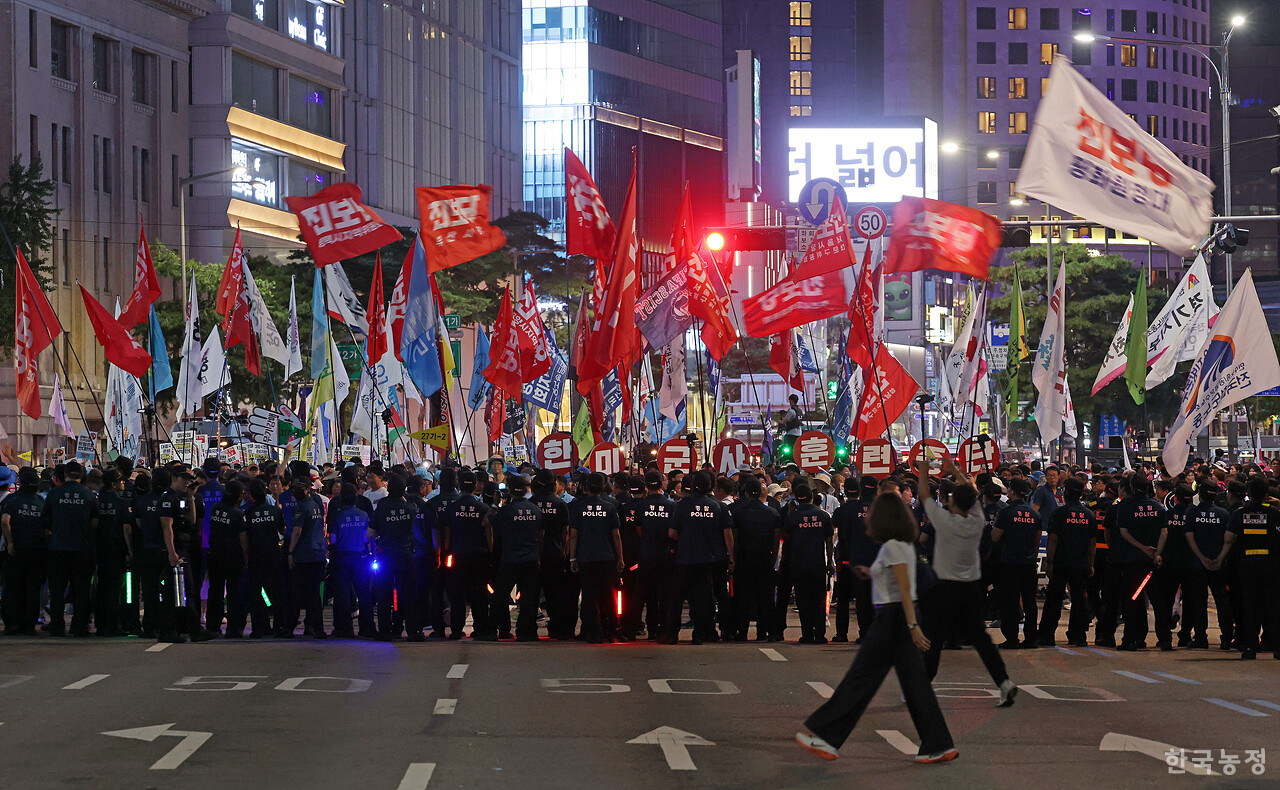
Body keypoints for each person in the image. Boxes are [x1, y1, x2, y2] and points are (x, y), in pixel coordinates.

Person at [796, 491, 957, 764]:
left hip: (894, 618)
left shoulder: (893, 546)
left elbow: (904, 588)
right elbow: (899, 581)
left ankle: (826, 736)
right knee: (915, 683)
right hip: (899, 616)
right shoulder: (902, 544)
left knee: (861, 678)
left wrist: (913, 625)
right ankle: (938, 743)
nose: (867, 518)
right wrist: (872, 573)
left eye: (872, 515)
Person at [916, 457, 1016, 706]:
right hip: (972, 588)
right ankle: (1004, 682)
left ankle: (919, 689)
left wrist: (925, 471)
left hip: (945, 589)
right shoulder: (977, 520)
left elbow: (924, 495)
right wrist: (955, 471)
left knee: (933, 639)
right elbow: (971, 494)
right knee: (981, 639)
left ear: (951, 502)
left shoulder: (943, 520)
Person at [664, 471, 733, 644]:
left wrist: (687, 537)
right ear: (711, 486)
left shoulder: (682, 505)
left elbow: (672, 532)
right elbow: (727, 534)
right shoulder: (719, 507)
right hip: (709, 559)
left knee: (676, 597)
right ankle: (701, 634)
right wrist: (731, 557)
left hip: (685, 558)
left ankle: (671, 634)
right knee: (703, 598)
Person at [1036, 478, 1096, 648]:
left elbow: (1053, 540)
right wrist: (1091, 563)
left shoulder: (1059, 513)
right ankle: (1078, 636)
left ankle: (1047, 635)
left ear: (1066, 493)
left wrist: (1050, 562)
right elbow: (1092, 543)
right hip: (1081, 564)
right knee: (1079, 599)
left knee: (1054, 599)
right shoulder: (1088, 514)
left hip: (1061, 563)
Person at [1110, 475, 1167, 651]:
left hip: (1132, 560)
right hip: (1153, 562)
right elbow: (1164, 532)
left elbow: (1124, 533)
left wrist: (1142, 547)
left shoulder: (1124, 506)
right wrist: (1156, 552)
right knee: (1159, 601)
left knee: (1133, 599)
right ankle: (1165, 639)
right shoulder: (1158, 507)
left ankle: (1132, 639)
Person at [42, 461, 99, 637]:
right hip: (82, 548)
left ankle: (57, 626)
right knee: (81, 589)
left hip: (58, 548)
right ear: (82, 476)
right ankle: (80, 626)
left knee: (57, 590)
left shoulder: (53, 494)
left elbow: (45, 524)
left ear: (65, 475)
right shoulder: (89, 495)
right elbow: (95, 523)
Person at [1226, 476, 1280, 660]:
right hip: (1271, 565)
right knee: (1273, 605)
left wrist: (1218, 559)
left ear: (1248, 493)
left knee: (1251, 606)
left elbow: (1228, 539)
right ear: (1266, 494)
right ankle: (1277, 647)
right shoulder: (1274, 513)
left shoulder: (1240, 513)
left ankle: (1250, 647)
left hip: (1247, 566)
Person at [486, 474, 543, 641]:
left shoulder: (504, 512)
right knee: (529, 597)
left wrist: (495, 503)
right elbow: (542, 536)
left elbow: (486, 522)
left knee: (500, 596)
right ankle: (527, 632)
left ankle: (491, 631)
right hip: (531, 559)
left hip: (510, 558)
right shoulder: (536, 511)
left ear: (509, 491)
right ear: (527, 490)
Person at [570, 472, 624, 643]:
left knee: (588, 596)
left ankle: (592, 632)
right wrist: (620, 558)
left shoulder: (578, 507)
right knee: (608, 595)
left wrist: (572, 558)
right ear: (603, 487)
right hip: (606, 557)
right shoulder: (610, 507)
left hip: (585, 557)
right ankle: (612, 630)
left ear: (586, 488)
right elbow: (616, 535)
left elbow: (573, 535)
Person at [369, 474, 423, 641]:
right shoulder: (410, 507)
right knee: (408, 595)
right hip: (406, 555)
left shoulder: (381, 508)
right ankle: (413, 631)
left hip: (385, 556)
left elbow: (370, 533)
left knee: (384, 595)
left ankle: (385, 631)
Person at [990, 478, 1042, 649]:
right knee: (1030, 602)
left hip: (1009, 563)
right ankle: (1031, 638)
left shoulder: (1005, 513)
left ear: (1012, 492)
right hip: (1028, 564)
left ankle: (1012, 638)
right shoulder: (1035, 515)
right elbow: (1036, 541)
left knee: (1010, 602)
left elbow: (995, 537)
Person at [1184, 479, 1235, 650]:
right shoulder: (1224, 514)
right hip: (1219, 565)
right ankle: (1227, 638)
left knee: (1199, 602)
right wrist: (1219, 559)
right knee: (1222, 602)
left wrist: (1201, 558)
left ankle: (1201, 638)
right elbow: (1228, 539)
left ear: (1200, 493)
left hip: (1197, 564)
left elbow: (1189, 537)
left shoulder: (1192, 512)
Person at [441, 469, 492, 639]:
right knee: (479, 594)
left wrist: (446, 553)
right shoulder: (483, 507)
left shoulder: (452, 508)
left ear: (459, 485)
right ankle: (481, 629)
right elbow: (488, 535)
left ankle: (456, 630)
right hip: (479, 556)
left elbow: (447, 537)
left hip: (457, 556)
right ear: (476, 486)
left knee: (457, 595)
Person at [730, 475, 780, 641]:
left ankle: (742, 632)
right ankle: (766, 632)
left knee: (743, 597)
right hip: (765, 558)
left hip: (744, 558)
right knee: (765, 598)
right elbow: (775, 540)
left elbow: (735, 539)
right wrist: (772, 560)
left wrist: (734, 559)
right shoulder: (772, 513)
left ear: (746, 493)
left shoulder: (738, 513)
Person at [782, 479, 833, 644]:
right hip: (818, 563)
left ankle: (807, 634)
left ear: (796, 497)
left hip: (799, 564)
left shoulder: (793, 517)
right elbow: (829, 541)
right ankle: (820, 634)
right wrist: (830, 561)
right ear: (811, 497)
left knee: (803, 600)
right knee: (818, 599)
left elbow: (786, 537)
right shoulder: (823, 516)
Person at [832, 477, 878, 644]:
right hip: (879, 560)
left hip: (852, 559)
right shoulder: (883, 508)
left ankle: (852, 633)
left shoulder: (849, 509)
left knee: (857, 598)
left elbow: (840, 528)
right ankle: (875, 633)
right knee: (876, 598)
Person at [2, 468, 47, 635]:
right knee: (33, 589)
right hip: (36, 551)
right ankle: (29, 625)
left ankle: (13, 623)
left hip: (16, 551)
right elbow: (46, 529)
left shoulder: (12, 500)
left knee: (13, 587)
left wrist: (10, 542)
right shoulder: (41, 502)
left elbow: (5, 522)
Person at [531, 470, 574, 640]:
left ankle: (528, 629)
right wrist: (563, 550)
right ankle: (557, 629)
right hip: (555, 554)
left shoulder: (531, 503)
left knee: (532, 594)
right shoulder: (560, 504)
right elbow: (566, 531)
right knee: (555, 595)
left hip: (534, 554)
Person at [328, 483, 375, 638]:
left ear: (341, 497)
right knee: (364, 592)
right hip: (360, 557)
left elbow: (333, 540)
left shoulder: (336, 515)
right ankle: (366, 628)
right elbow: (365, 537)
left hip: (341, 557)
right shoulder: (363, 514)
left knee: (342, 594)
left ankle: (344, 628)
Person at [286, 478, 327, 638]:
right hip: (318, 553)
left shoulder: (302, 507)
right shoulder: (317, 504)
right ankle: (316, 627)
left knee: (295, 593)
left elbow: (297, 531)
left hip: (304, 555)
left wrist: (290, 552)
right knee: (315, 594)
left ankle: (289, 628)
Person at [243, 479, 285, 638]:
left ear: (251, 495)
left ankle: (259, 627)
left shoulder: (248, 513)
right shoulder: (275, 511)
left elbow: (245, 537)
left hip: (255, 556)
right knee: (277, 591)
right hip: (274, 555)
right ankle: (279, 626)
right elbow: (282, 531)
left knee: (256, 592)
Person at [93, 469, 133, 637]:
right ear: (113, 484)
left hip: (99, 548)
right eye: (120, 481)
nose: (123, 483)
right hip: (116, 548)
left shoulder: (97, 500)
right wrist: (130, 550)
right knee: (115, 588)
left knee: (101, 586)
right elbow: (126, 527)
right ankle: (112, 624)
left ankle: (100, 624)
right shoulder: (121, 502)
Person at [205, 480, 248, 637]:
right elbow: (243, 539)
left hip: (215, 554)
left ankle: (212, 625)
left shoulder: (215, 509)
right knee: (233, 592)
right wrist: (246, 556)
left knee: (215, 591)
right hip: (233, 556)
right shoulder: (238, 514)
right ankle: (233, 628)